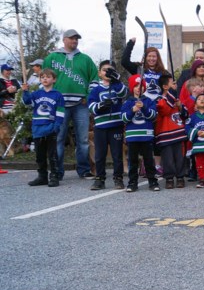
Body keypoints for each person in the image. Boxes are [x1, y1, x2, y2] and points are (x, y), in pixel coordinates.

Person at [44, 29, 98, 180]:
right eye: (72, 38)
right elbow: (45, 79)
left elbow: (94, 79)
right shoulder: (52, 58)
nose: (74, 41)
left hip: (80, 104)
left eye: (76, 39)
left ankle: (84, 170)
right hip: (59, 105)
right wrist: (49, 98)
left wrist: (88, 96)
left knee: (83, 139)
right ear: (64, 40)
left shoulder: (85, 59)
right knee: (58, 138)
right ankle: (57, 171)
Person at [87, 61, 127, 190]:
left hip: (116, 125)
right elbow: (91, 105)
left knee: (117, 154)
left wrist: (117, 80)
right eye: (105, 70)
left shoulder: (117, 86)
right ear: (99, 73)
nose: (107, 73)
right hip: (100, 127)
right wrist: (100, 106)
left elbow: (124, 93)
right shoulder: (96, 89)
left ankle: (118, 178)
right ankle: (100, 179)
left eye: (110, 71)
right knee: (100, 154)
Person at [23, 68, 65, 187]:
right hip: (37, 128)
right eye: (42, 77)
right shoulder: (36, 94)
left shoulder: (57, 95)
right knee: (39, 155)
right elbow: (27, 103)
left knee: (52, 155)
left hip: (51, 128)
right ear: (40, 79)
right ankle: (42, 176)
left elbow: (60, 111)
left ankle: (54, 176)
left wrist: (57, 124)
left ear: (54, 79)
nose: (45, 79)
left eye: (48, 77)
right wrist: (25, 91)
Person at [121, 74, 160, 192]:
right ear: (132, 87)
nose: (139, 88)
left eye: (141, 86)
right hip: (132, 136)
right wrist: (132, 110)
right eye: (136, 86)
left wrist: (143, 108)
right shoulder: (127, 102)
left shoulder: (148, 101)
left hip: (146, 136)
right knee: (132, 161)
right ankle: (132, 182)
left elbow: (153, 116)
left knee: (148, 160)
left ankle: (153, 181)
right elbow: (123, 118)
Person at [154, 74, 188, 189]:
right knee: (167, 158)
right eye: (172, 83)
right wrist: (172, 95)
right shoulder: (159, 99)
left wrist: (180, 107)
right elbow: (164, 110)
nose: (175, 85)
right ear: (165, 86)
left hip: (178, 132)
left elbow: (185, 115)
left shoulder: (176, 99)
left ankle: (180, 177)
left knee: (180, 156)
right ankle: (169, 178)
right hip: (165, 134)